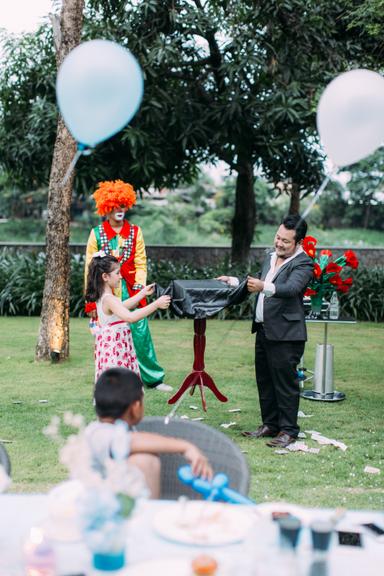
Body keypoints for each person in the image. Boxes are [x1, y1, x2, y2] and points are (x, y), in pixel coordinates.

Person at [218, 214, 313, 448]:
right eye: (277, 237)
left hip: (287, 334)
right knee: (265, 380)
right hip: (263, 330)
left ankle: (289, 430)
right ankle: (270, 425)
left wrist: (263, 286)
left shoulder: (304, 263)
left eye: (286, 241)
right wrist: (234, 281)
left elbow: (290, 288)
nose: (279, 243)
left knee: (285, 383)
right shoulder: (270, 257)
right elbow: (258, 281)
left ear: (298, 242)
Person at [85, 180, 172, 392]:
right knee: (114, 337)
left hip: (130, 288)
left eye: (123, 205)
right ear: (106, 208)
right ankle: (117, 378)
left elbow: (141, 261)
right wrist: (89, 303)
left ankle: (153, 378)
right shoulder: (96, 233)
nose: (120, 210)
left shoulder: (135, 231)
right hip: (107, 290)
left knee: (141, 334)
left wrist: (140, 288)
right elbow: (89, 268)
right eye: (115, 206)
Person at [85, 367, 212, 498]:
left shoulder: (115, 429)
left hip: (114, 501)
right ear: (135, 407)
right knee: (145, 459)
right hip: (95, 507)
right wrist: (186, 447)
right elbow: (132, 440)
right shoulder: (97, 433)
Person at [85, 254, 171, 383]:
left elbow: (123, 306)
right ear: (105, 277)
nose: (121, 276)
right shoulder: (109, 299)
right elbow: (130, 317)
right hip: (115, 349)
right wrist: (156, 304)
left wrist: (142, 294)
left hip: (115, 347)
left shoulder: (104, 297)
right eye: (117, 273)